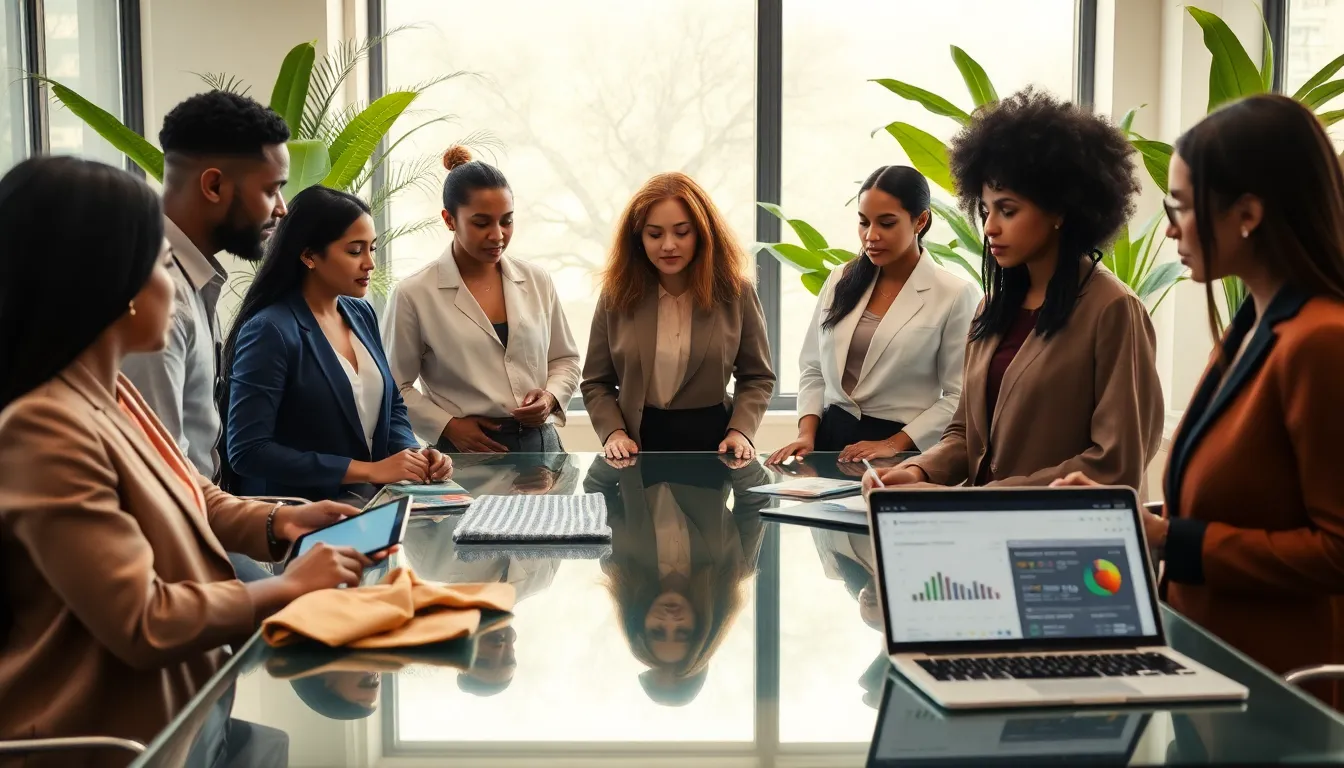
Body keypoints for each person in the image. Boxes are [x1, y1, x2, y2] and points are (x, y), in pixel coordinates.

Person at [0, 157, 386, 765]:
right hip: (123, 741)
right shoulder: (43, 426)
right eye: (158, 265)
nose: (175, 289)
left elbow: (187, 491)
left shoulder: (112, 392)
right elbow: (144, 619)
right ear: (109, 286)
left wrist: (277, 521)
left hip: (190, 708)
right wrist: (282, 590)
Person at [1052, 94, 1344, 707]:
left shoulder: (1321, 342)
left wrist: (1164, 537)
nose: (1168, 229)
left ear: (1247, 214)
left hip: (1281, 696)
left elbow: (1336, 551)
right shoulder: (1251, 327)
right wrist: (1128, 513)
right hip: (1212, 674)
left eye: (1180, 208)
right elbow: (1247, 504)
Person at [865, 88, 1162, 490]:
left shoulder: (1113, 310)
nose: (989, 227)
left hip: (1058, 543)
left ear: (1059, 210)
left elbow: (1116, 462)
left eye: (1008, 210)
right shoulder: (993, 307)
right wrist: (919, 470)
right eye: (986, 211)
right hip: (984, 535)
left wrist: (988, 498)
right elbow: (965, 433)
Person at [223, 186, 450, 501]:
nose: (370, 263)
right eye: (355, 251)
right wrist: (369, 470)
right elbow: (249, 451)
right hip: (292, 515)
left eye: (372, 248)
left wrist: (413, 455)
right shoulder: (269, 330)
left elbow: (392, 404)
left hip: (363, 504)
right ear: (309, 256)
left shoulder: (360, 313)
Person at [121, 90, 290, 482]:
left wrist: (273, 521)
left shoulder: (195, 279)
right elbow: (159, 478)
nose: (281, 207)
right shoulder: (159, 300)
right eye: (271, 189)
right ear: (213, 186)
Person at [768, 166, 978, 464]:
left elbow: (959, 396)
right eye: (863, 222)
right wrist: (806, 435)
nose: (871, 236)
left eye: (887, 223)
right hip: (829, 441)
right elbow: (813, 368)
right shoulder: (842, 278)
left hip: (901, 449)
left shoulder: (954, 294)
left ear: (921, 220)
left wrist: (894, 444)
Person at [383, 146, 580, 453]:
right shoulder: (415, 294)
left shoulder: (537, 280)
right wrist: (448, 426)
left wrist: (551, 397)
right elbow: (394, 387)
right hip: (465, 452)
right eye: (481, 222)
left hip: (541, 446)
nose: (498, 235)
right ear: (449, 220)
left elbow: (565, 359)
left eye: (507, 220)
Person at [582, 172, 776, 460]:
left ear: (702, 233)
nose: (668, 245)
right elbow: (596, 382)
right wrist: (614, 433)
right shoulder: (616, 295)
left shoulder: (737, 293)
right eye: (655, 234)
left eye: (682, 232)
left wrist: (741, 431)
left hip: (712, 447)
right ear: (638, 239)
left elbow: (757, 376)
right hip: (636, 448)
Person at [584, 454, 768, 706]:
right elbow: (755, 500)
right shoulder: (734, 570)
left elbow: (597, 492)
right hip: (710, 436)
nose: (670, 619)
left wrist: (614, 456)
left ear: (638, 626)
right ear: (704, 627)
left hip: (637, 432)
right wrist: (741, 461)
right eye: (683, 632)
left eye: (657, 631)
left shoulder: (618, 566)